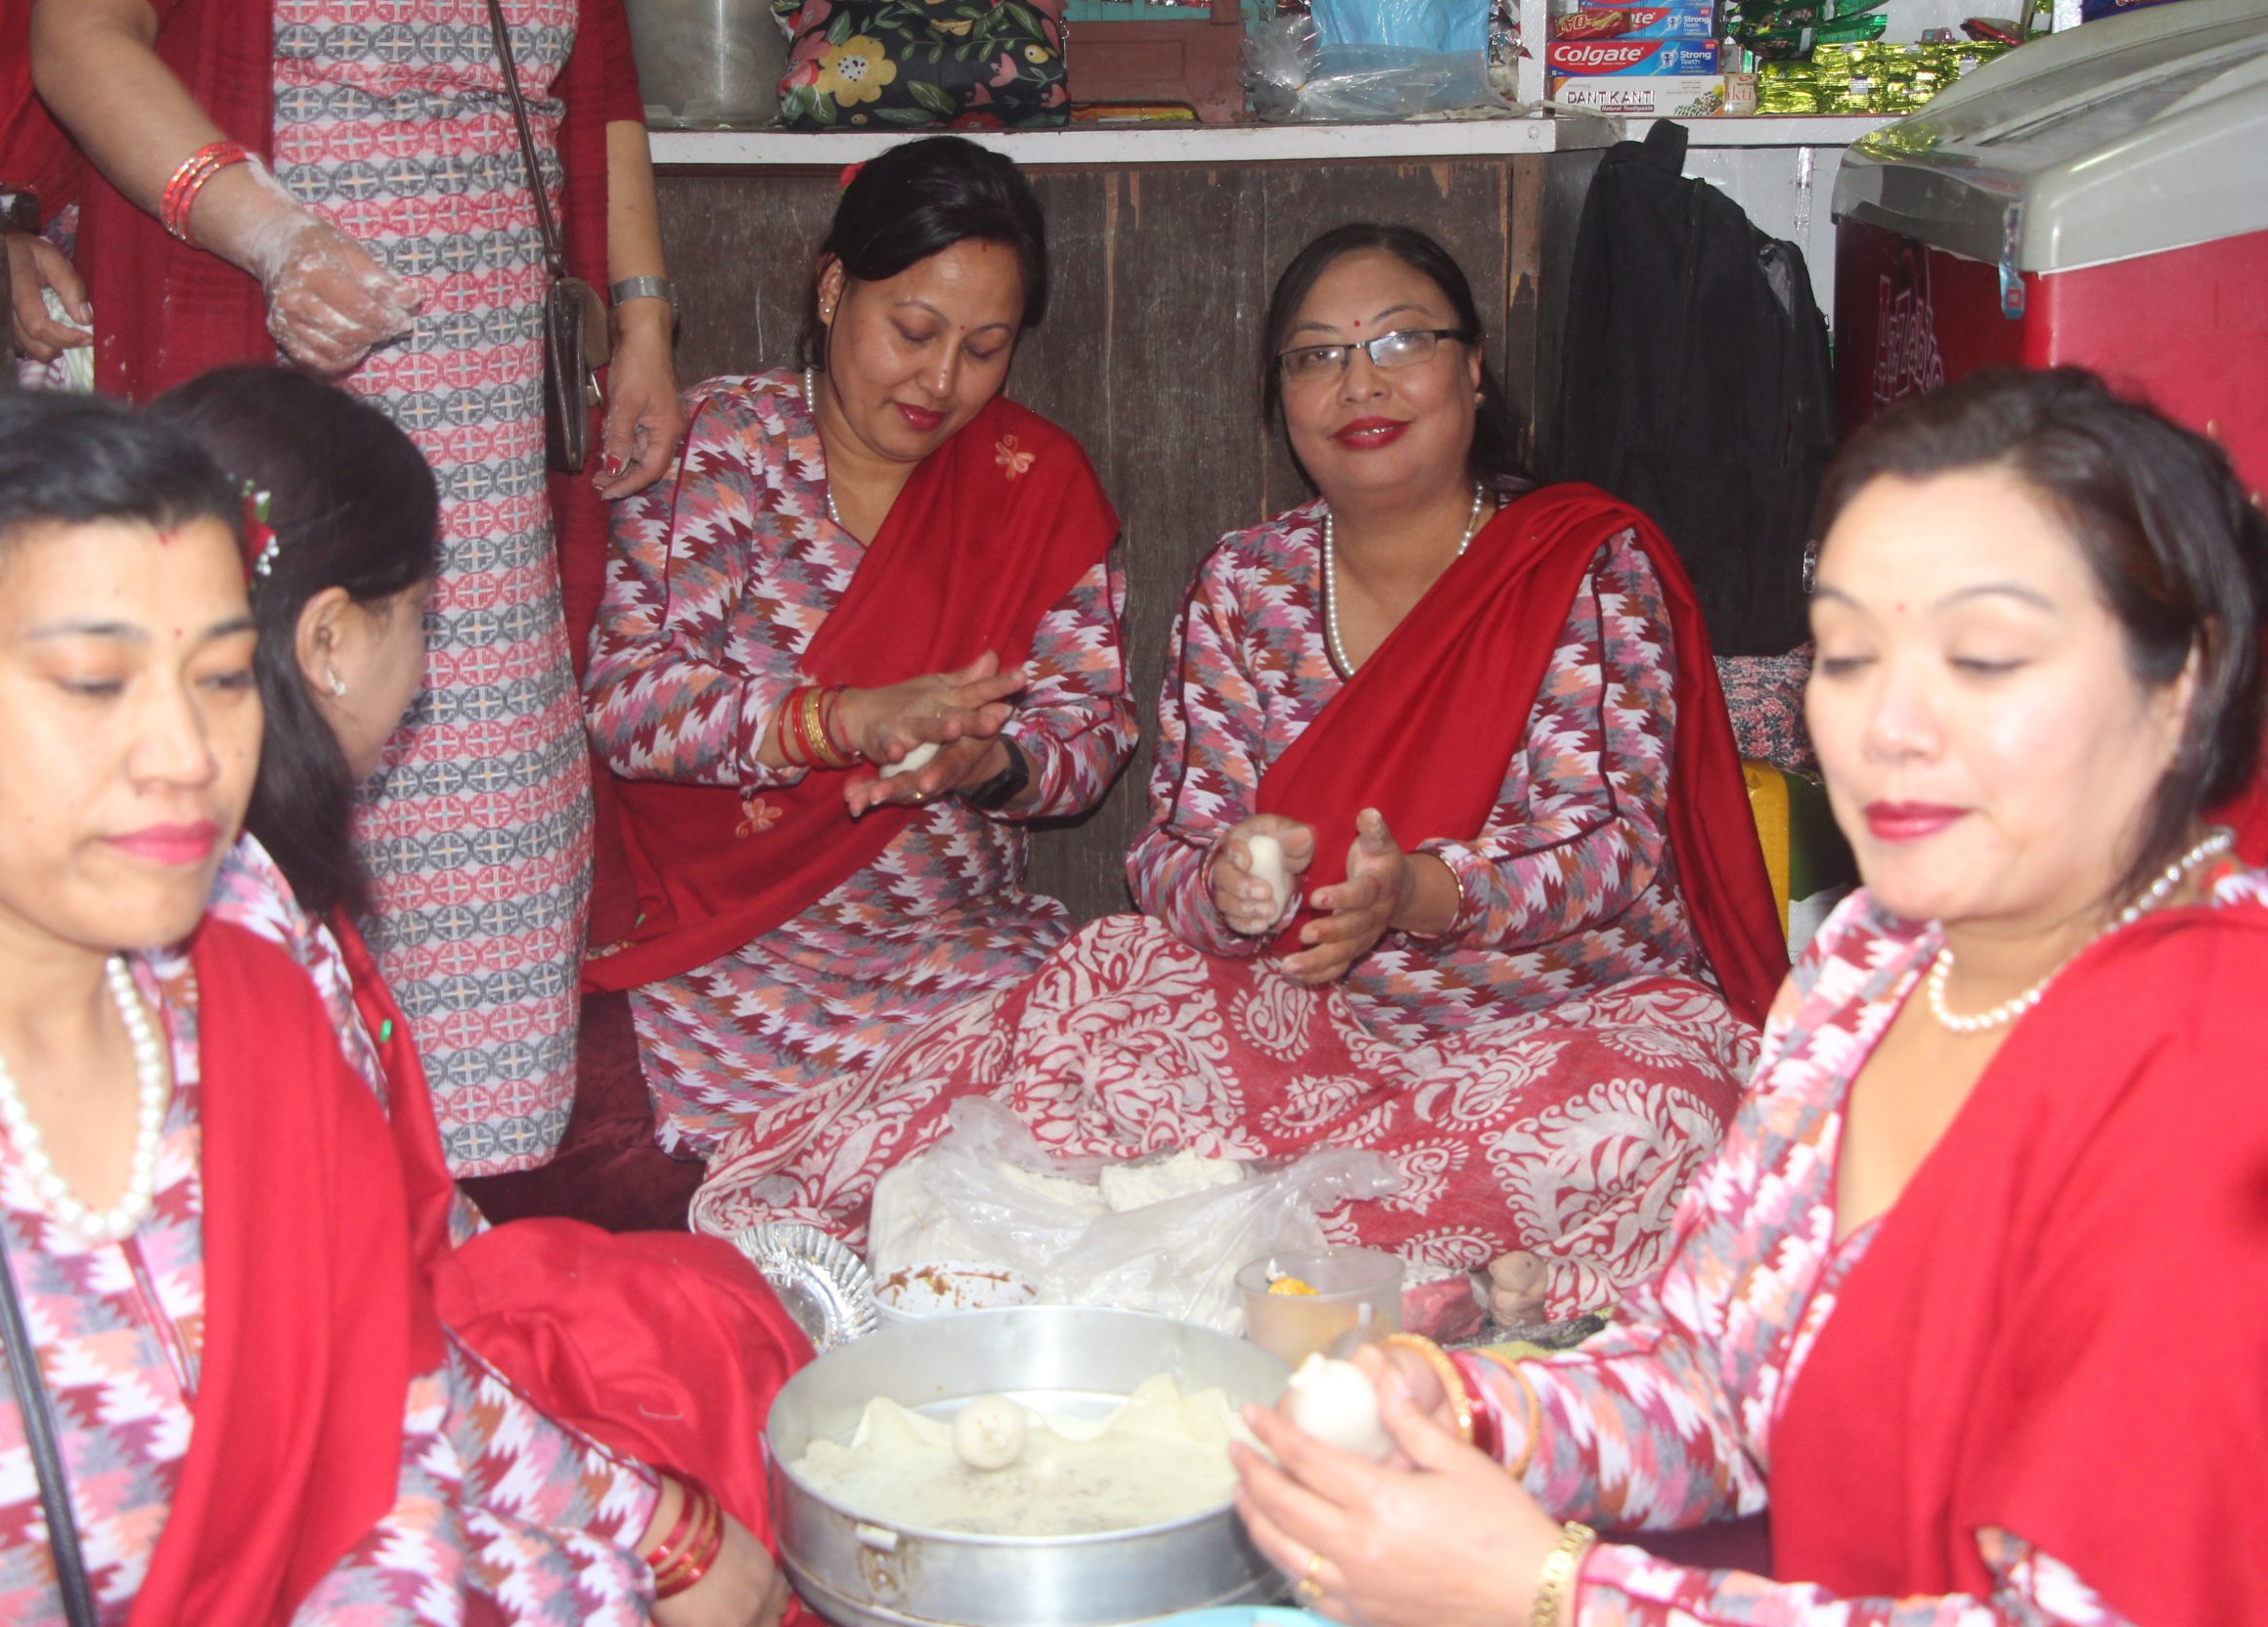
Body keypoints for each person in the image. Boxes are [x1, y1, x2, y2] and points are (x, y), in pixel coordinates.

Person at [1230, 367, 2268, 1627]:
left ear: (2181, 685)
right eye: (1848, 654)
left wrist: (1564, 1604)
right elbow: (1718, 1380)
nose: (1888, 726)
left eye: (1984, 658)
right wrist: (1473, 1407)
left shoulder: (2217, 1066)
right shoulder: (1869, 966)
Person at [690, 224, 1782, 1325]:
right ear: (1280, 396)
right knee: (1107, 973)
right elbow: (1167, 852)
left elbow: (1613, 849)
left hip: (1558, 1032)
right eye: (1316, 355)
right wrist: (1226, 889)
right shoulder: (1246, 584)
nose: (1360, 382)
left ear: (1472, 368)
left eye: (1401, 341)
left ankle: (1283, 1253)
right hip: (1308, 1039)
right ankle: (1376, 1264)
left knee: (1659, 1106)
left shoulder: (1585, 567)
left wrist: (1416, 892)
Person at [0, 0, 689, 1178]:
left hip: (494, 379)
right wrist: (274, 237)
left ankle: (466, 1190)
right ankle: (265, 1175)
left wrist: (644, 315)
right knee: (256, 737)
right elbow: (78, 39)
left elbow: (598, 82)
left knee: (487, 774)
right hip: (262, 321)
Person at [0, 393, 468, 1627]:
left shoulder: (245, 1003)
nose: (186, 754)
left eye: (221, 677)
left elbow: (389, 1456)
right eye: (95, 682)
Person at [155, 363, 832, 1627]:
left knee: (689, 1295)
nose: (425, 667)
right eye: (422, 616)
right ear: (331, 641)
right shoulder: (233, 954)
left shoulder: (240, 880)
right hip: (335, 1445)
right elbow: (362, 1360)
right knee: (682, 1401)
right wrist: (665, 1533)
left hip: (382, 1336)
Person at [584, 135, 1135, 1164]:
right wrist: (840, 720)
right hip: (727, 954)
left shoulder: (1033, 480)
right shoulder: (722, 446)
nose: (941, 379)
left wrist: (990, 763)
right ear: (835, 287)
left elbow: (1091, 733)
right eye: (914, 331)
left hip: (957, 950)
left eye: (985, 349)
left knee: (1087, 1068)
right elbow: (629, 702)